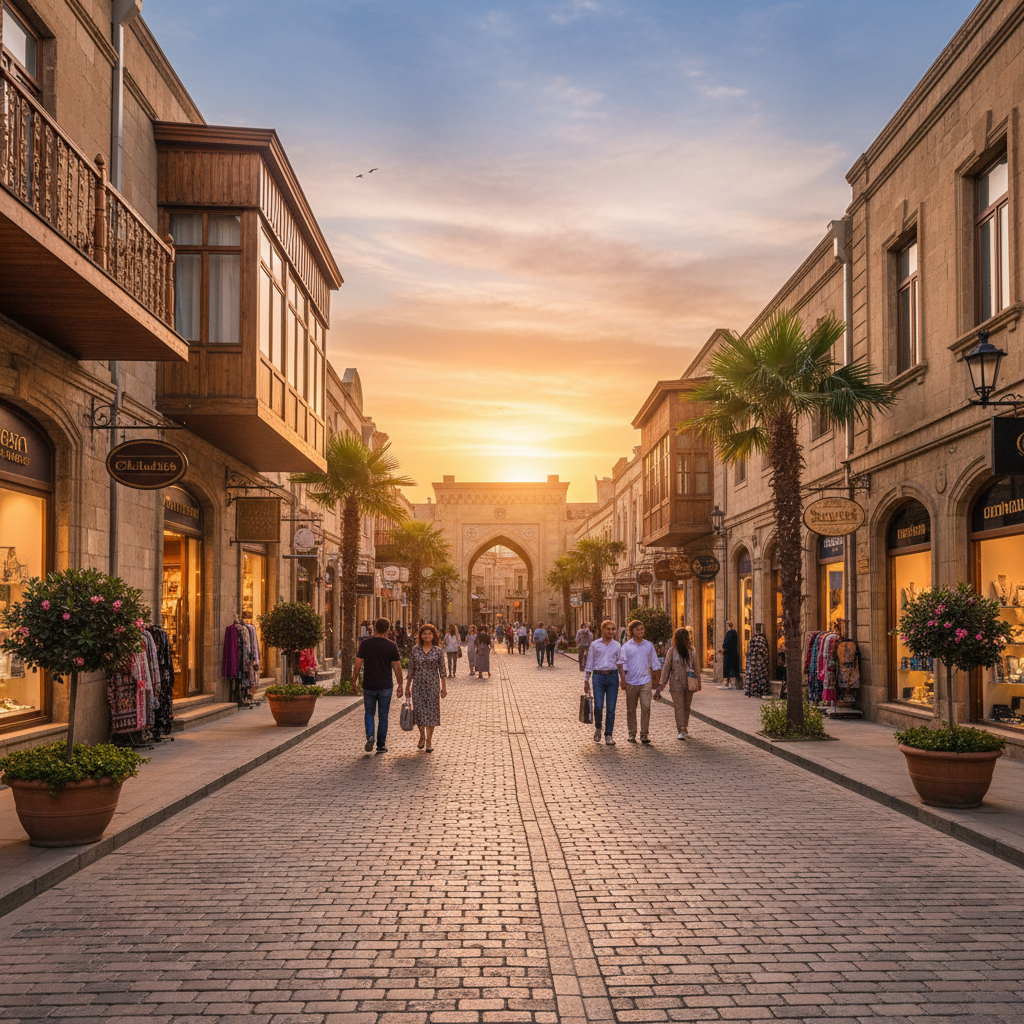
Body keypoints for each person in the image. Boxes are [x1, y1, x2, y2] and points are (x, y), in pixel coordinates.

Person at [353, 617, 403, 753]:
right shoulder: (391, 646)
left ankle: (370, 736)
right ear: (388, 630)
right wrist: (400, 685)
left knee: (369, 712)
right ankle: (381, 744)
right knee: (383, 715)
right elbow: (397, 667)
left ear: (374, 628)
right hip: (385, 685)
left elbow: (358, 664)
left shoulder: (365, 644)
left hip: (369, 684)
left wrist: (354, 681)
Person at [583, 620, 625, 745]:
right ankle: (598, 728)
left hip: (612, 677)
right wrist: (586, 680)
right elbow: (589, 662)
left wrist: (623, 678)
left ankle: (608, 734)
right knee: (599, 706)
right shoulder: (595, 645)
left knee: (611, 708)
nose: (611, 631)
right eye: (608, 629)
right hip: (598, 677)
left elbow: (620, 664)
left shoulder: (617, 645)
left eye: (613, 629)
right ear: (603, 630)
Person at [406, 623, 446, 752]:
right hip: (418, 684)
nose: (427, 636)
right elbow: (411, 669)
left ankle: (429, 740)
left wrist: (443, 687)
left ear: (433, 636)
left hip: (433, 685)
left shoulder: (438, 651)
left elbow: (442, 670)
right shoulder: (415, 650)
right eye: (424, 634)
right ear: (421, 635)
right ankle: (422, 736)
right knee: (419, 711)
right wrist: (407, 687)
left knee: (432, 712)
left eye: (429, 634)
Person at [620, 619, 661, 744]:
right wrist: (623, 680)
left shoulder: (648, 645)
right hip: (631, 681)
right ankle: (632, 733)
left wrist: (657, 681)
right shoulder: (626, 646)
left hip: (645, 680)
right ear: (632, 631)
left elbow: (655, 663)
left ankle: (644, 734)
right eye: (637, 629)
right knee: (631, 709)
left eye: (642, 629)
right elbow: (623, 663)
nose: (640, 631)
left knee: (646, 707)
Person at [657, 626, 699, 739]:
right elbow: (666, 668)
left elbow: (696, 667)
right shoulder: (672, 651)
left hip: (689, 682)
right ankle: (681, 729)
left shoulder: (692, 650)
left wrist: (698, 682)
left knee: (686, 707)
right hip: (676, 683)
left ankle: (685, 727)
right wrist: (661, 684)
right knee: (679, 707)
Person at [721, 620, 740, 689]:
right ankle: (731, 683)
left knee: (729, 668)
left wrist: (725, 649)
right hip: (732, 654)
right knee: (732, 668)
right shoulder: (734, 633)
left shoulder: (730, 633)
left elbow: (728, 644)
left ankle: (729, 683)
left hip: (729, 654)